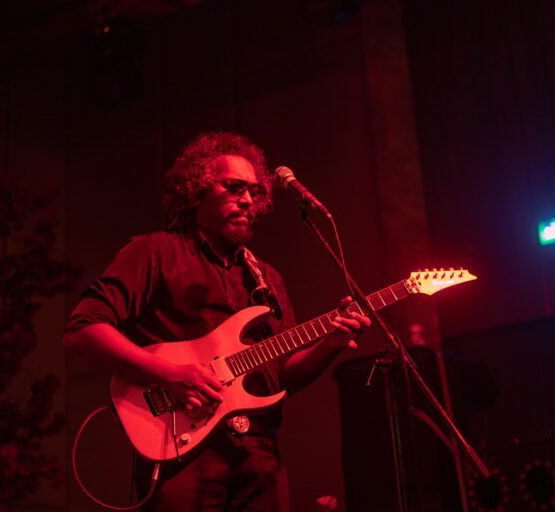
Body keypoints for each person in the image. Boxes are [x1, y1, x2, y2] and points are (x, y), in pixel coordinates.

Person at [62, 132, 370, 511]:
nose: (247, 200)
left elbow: (282, 377)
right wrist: (170, 375)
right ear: (198, 190)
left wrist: (330, 345)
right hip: (183, 450)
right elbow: (83, 331)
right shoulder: (154, 252)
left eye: (255, 192)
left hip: (259, 453)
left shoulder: (266, 278)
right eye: (234, 187)